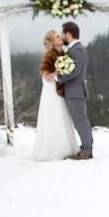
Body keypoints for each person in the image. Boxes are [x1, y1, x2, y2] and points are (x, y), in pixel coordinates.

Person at [43, 21, 92, 159]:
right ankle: (87, 148)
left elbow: (74, 72)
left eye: (63, 34)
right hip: (74, 91)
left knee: (80, 121)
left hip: (75, 92)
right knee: (80, 120)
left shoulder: (77, 50)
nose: (62, 37)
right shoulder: (74, 49)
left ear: (68, 34)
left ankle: (86, 150)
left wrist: (57, 77)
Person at [33, 30, 80, 161]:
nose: (60, 37)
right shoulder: (49, 54)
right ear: (52, 41)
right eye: (57, 36)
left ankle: (66, 147)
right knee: (54, 115)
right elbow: (45, 75)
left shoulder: (63, 53)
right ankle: (54, 149)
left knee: (62, 115)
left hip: (60, 89)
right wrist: (59, 73)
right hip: (51, 91)